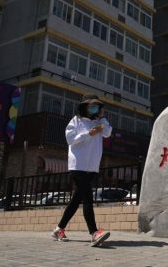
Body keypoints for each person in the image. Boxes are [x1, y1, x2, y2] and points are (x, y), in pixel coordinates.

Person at [51, 94, 112, 247]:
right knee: (87, 198)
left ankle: (59, 229)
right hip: (77, 165)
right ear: (85, 106)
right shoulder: (76, 121)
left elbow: (108, 132)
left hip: (92, 167)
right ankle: (94, 232)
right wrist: (89, 133)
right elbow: (70, 139)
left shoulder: (99, 122)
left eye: (97, 106)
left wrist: (103, 118)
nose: (95, 108)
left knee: (77, 199)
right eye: (92, 105)